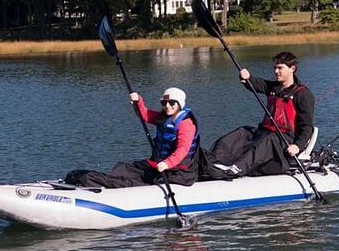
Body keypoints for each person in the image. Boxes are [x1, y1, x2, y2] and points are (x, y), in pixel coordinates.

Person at [64, 87, 200, 188]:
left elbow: (182, 150)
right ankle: (99, 181)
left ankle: (112, 185)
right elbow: (145, 115)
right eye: (164, 103)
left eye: (172, 103)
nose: (167, 106)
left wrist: (167, 163)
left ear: (179, 104)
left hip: (178, 171)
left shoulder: (186, 123)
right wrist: (138, 101)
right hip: (158, 164)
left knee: (136, 178)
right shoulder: (164, 117)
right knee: (124, 168)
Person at [207, 51, 315, 177]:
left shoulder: (303, 94)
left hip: (285, 140)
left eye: (280, 68)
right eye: (275, 68)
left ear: (292, 68)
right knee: (243, 132)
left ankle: (237, 168)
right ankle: (212, 160)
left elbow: (307, 127)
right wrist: (246, 77)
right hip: (265, 133)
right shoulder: (274, 88)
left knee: (269, 139)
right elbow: (255, 83)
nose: (276, 71)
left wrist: (297, 146)